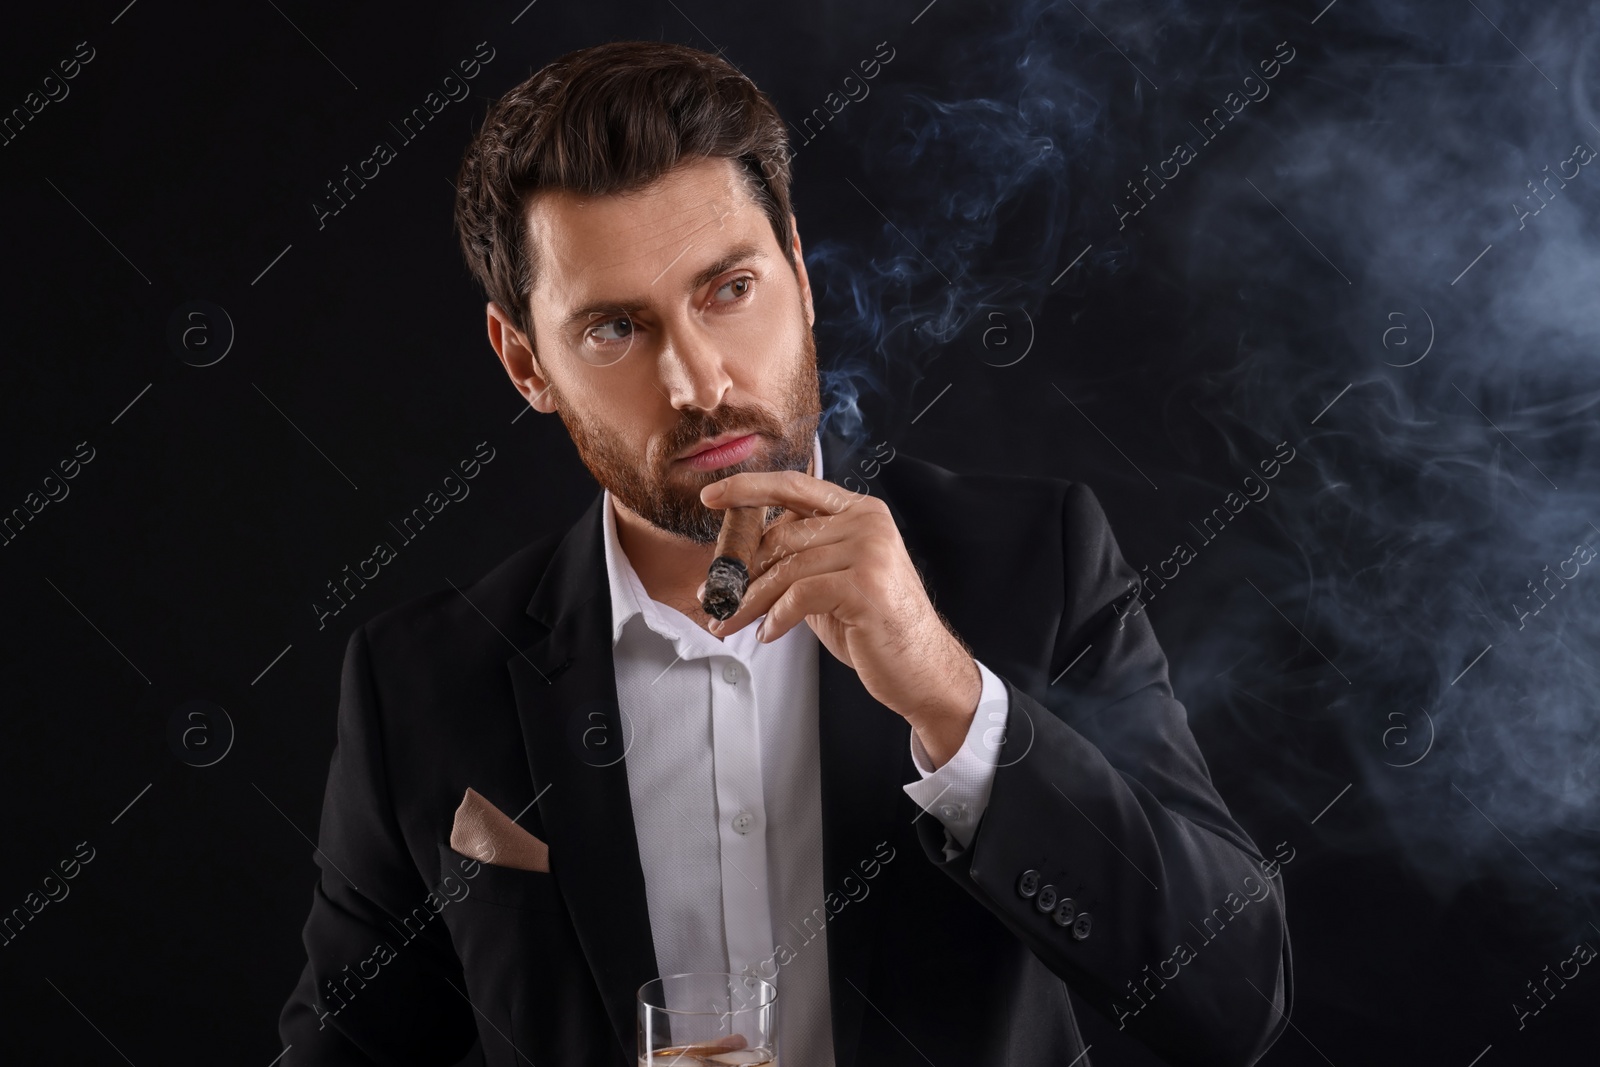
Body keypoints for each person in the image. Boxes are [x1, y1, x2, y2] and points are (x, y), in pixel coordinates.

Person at [279, 39, 1291, 1067]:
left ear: (800, 275)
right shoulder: (421, 681)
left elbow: (1230, 999)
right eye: (615, 328)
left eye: (728, 289)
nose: (697, 381)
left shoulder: (1034, 564)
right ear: (525, 362)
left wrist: (954, 700)